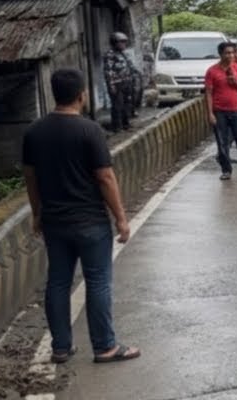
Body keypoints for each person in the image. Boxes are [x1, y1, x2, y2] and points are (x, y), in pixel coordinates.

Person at [21, 68, 139, 363]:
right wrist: (121, 218)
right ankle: (105, 346)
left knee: (58, 282)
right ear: (81, 95)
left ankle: (61, 347)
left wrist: (37, 213)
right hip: (90, 221)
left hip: (55, 222)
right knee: (98, 281)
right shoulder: (90, 130)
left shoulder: (34, 132)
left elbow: (30, 178)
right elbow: (105, 178)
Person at [205, 42, 237, 180]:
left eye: (232, 53)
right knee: (222, 143)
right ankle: (226, 170)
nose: (230, 56)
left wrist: (235, 83)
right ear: (221, 54)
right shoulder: (212, 71)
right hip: (219, 111)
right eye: (227, 53)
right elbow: (209, 93)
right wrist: (210, 113)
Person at [103, 32, 137, 132]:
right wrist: (111, 85)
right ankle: (117, 127)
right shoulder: (110, 55)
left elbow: (130, 67)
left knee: (127, 104)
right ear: (114, 43)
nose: (124, 44)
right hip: (117, 84)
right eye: (121, 42)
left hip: (126, 82)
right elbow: (108, 72)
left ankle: (126, 124)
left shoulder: (124, 53)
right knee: (118, 105)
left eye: (124, 42)